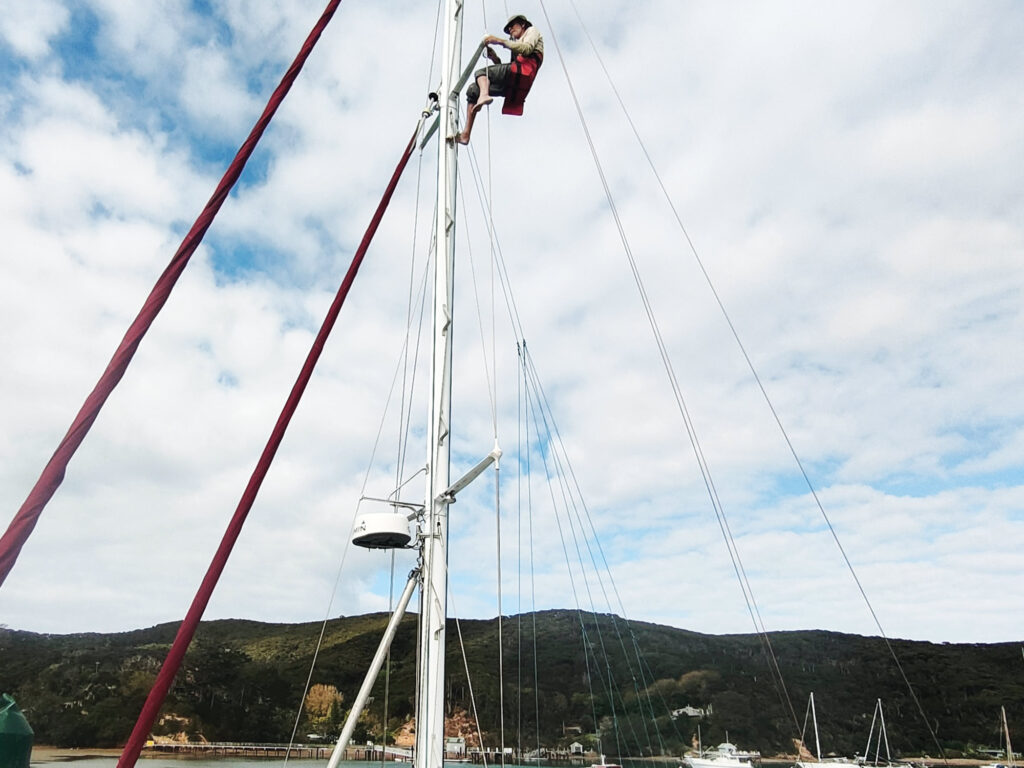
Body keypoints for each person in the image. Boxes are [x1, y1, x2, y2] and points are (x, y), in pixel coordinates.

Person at [456, 13, 544, 145]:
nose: (510, 29)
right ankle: (465, 135)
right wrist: (494, 58)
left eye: (512, 26)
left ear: (523, 24)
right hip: (515, 81)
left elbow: (526, 49)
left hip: (524, 71)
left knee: (481, 72)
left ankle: (484, 95)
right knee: (473, 90)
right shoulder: (516, 44)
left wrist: (499, 41)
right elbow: (505, 72)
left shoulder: (532, 31)